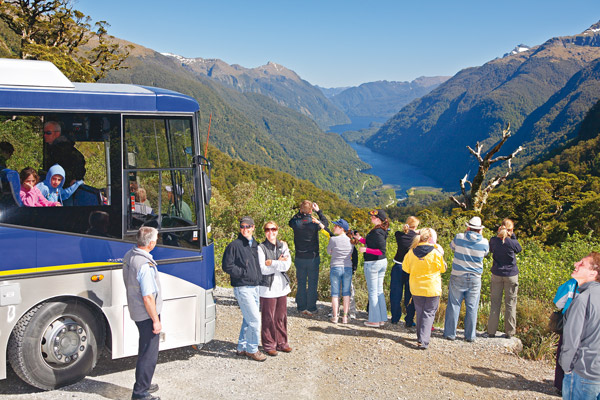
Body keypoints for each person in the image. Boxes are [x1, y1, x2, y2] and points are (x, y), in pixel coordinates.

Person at [122, 226, 162, 400]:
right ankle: (140, 392)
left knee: (144, 348)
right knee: (149, 353)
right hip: (146, 313)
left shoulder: (130, 255)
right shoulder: (144, 265)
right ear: (151, 243)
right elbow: (148, 297)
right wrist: (156, 320)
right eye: (156, 239)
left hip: (136, 309)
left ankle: (144, 382)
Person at [222, 216, 266, 362]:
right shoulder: (234, 245)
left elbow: (258, 265)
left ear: (253, 227)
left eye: (248, 226)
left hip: (255, 287)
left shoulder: (256, 245)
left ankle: (242, 346)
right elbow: (227, 266)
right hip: (242, 287)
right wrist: (243, 273)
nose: (245, 229)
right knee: (254, 320)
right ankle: (252, 350)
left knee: (248, 320)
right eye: (242, 227)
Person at [560, 253, 600, 400]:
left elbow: (572, 339)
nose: (576, 264)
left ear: (593, 273)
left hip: (582, 373)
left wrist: (566, 368)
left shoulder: (583, 299)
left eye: (582, 263)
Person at [443, 216, 489, 342]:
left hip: (458, 274)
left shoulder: (459, 237)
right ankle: (470, 336)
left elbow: (452, 247)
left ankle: (450, 333)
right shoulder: (484, 242)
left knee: (454, 304)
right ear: (480, 230)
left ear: (468, 227)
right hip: (475, 278)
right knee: (472, 306)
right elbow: (486, 253)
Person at [402, 228, 446, 349]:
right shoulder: (436, 252)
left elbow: (406, 268)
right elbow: (442, 269)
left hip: (416, 287)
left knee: (420, 312)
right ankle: (423, 340)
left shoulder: (411, 252)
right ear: (430, 238)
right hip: (432, 287)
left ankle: (420, 337)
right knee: (429, 313)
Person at [258, 221, 293, 356]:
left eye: (273, 229)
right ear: (264, 232)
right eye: (267, 229)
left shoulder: (283, 245)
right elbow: (262, 270)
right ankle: (268, 345)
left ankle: (282, 343)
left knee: (281, 317)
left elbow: (287, 266)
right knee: (268, 318)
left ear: (277, 230)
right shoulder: (261, 248)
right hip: (267, 288)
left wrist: (272, 262)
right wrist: (279, 262)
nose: (270, 232)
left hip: (282, 288)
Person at [289, 200, 328, 316]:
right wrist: (318, 211)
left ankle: (301, 307)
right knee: (312, 282)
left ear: (300, 210)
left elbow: (290, 221)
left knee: (301, 282)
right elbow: (325, 224)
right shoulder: (314, 222)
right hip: (313, 257)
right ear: (311, 210)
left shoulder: (296, 222)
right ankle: (311, 308)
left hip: (300, 256)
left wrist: (300, 212)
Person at [484, 218, 522, 339]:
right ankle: (510, 332)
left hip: (497, 274)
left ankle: (491, 331)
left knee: (495, 303)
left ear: (500, 228)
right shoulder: (512, 242)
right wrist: (512, 236)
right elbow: (519, 249)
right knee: (510, 304)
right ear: (511, 230)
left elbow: (491, 249)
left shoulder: (494, 241)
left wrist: (499, 234)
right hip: (511, 275)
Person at [356, 209, 389, 328]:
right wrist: (360, 239)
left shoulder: (377, 232)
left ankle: (374, 320)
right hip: (381, 263)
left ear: (379, 219)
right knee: (379, 291)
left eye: (373, 217)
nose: (371, 218)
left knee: (373, 292)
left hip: (373, 263)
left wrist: (366, 250)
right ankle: (381, 318)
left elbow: (380, 250)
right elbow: (372, 242)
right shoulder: (380, 231)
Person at [325, 218, 356, 324]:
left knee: (335, 293)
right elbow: (351, 253)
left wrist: (334, 251)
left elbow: (329, 251)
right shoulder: (351, 241)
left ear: (341, 229)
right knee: (346, 293)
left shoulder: (333, 240)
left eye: (336, 226)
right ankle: (345, 317)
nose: (334, 227)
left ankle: (335, 316)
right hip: (347, 268)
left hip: (335, 267)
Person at [391, 216, 420, 327]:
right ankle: (409, 320)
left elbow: (400, 232)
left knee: (395, 294)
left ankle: (395, 318)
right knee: (409, 295)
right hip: (411, 269)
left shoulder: (399, 235)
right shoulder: (417, 238)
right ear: (416, 226)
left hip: (398, 266)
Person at [553, 278, 579, 395]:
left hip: (570, 323)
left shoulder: (573, 283)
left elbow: (558, 302)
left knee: (564, 352)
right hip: (591, 328)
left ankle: (561, 385)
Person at [43, 121, 86, 185]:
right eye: (44, 133)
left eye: (48, 133)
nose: (45, 135)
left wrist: (74, 180)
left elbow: (78, 169)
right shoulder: (51, 150)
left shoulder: (63, 151)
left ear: (57, 134)